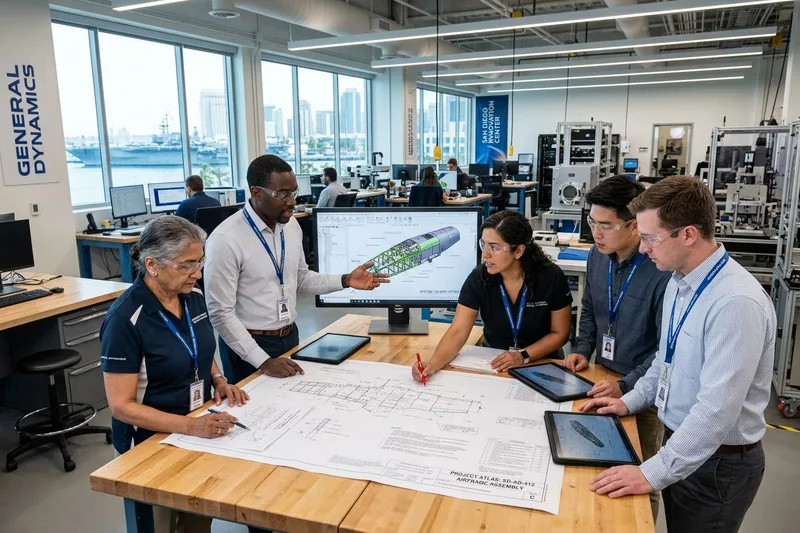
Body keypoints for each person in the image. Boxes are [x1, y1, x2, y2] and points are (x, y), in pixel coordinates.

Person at [581, 176, 775, 533]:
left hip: (717, 465)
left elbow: (716, 411)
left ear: (688, 234)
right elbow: (665, 360)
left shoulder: (734, 303)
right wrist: (630, 400)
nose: (643, 249)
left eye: (651, 238)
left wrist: (650, 472)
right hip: (681, 447)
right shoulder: (680, 282)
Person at [100, 216, 248, 533]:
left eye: (200, 262)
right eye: (186, 265)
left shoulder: (193, 296)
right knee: (160, 525)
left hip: (196, 426)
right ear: (152, 265)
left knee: (197, 519)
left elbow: (200, 349)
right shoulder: (125, 319)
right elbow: (121, 406)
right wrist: (191, 426)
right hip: (149, 442)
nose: (198, 273)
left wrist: (219, 379)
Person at [205, 155, 389, 386]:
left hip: (290, 335)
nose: (292, 201)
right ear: (256, 193)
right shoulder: (226, 239)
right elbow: (220, 313)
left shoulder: (291, 226)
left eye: (293, 192)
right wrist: (263, 361)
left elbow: (300, 277)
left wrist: (346, 280)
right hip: (247, 347)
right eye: (282, 194)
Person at [563, 175, 670, 519]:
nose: (596, 233)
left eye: (606, 225)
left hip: (643, 392)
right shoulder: (597, 256)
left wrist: (626, 385)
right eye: (592, 222)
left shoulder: (660, 270)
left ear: (634, 226)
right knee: (593, 465)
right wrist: (582, 348)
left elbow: (665, 349)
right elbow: (590, 306)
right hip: (599, 377)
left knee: (640, 479)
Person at [412, 210, 572, 381]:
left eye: (494, 247)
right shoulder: (479, 278)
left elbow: (560, 333)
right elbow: (458, 331)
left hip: (543, 361)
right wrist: (433, 364)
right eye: (484, 245)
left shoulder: (550, 277)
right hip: (493, 361)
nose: (485, 254)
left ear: (518, 251)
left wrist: (523, 355)